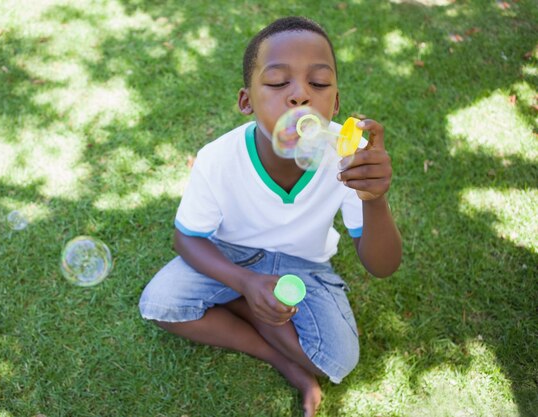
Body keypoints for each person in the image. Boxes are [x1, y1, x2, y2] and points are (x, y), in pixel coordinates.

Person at [139, 16, 402, 417]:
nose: (300, 95)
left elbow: (382, 265)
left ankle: (255, 312)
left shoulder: (349, 157)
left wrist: (374, 199)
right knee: (159, 303)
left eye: (319, 83)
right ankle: (275, 350)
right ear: (247, 101)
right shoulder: (219, 159)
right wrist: (246, 282)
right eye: (278, 83)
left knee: (339, 362)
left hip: (305, 267)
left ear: (335, 103)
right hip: (231, 256)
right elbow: (186, 239)